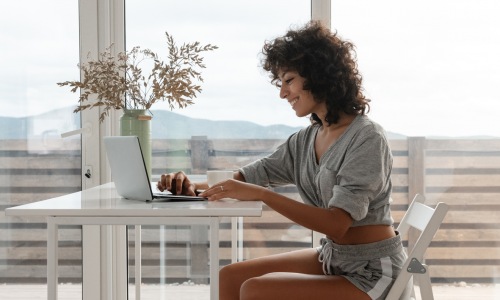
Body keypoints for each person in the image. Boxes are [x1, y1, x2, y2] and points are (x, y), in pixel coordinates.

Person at [157, 20, 408, 300]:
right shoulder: (306, 139)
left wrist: (262, 195)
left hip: (372, 272)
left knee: (256, 290)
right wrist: (192, 186)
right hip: (334, 257)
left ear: (318, 75)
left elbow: (337, 224)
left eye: (289, 80)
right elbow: (249, 177)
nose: (282, 92)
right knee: (230, 277)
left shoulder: (366, 137)